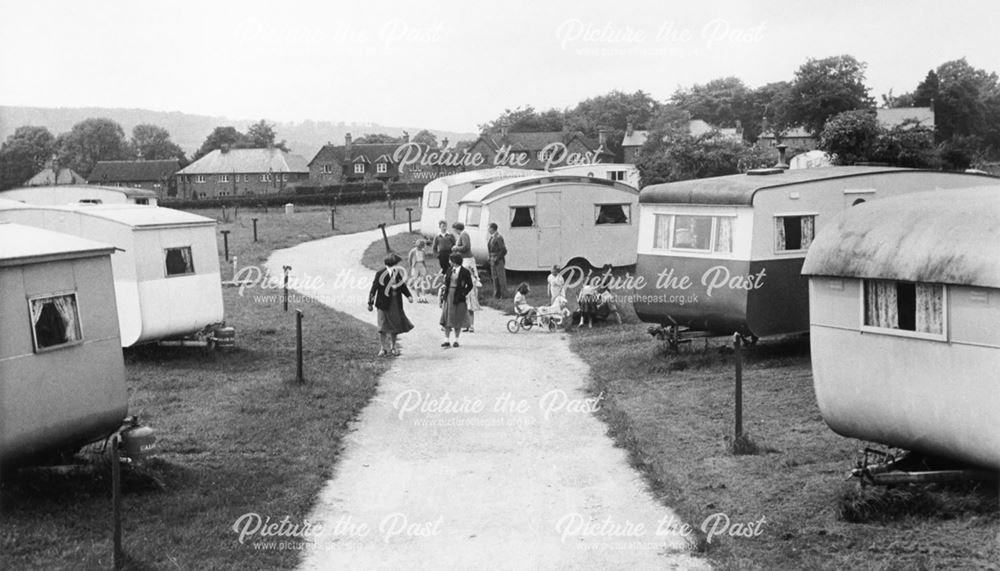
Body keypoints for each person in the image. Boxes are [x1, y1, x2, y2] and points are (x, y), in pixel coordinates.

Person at [367, 253, 414, 356]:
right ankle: (383, 348)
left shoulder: (396, 273)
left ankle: (393, 347)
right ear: (393, 264)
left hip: (395, 303)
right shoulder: (380, 273)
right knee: (382, 326)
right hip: (383, 303)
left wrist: (408, 295)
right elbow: (373, 289)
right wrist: (370, 303)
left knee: (394, 325)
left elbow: (402, 286)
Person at [439, 252, 474, 348]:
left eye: (451, 260)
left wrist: (464, 293)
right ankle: (446, 340)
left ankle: (456, 340)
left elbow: (470, 285)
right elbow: (446, 283)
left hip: (458, 296)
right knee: (447, 317)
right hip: (449, 295)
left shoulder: (465, 272)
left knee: (457, 317)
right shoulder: (449, 270)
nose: (449, 262)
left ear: (454, 261)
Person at [487, 222, 508, 299]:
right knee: (494, 277)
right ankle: (497, 294)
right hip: (492, 259)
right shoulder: (492, 237)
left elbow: (503, 250)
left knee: (501, 277)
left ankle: (503, 294)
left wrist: (497, 258)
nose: (488, 229)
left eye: (489, 228)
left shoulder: (498, 237)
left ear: (492, 229)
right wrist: (489, 257)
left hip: (498, 260)